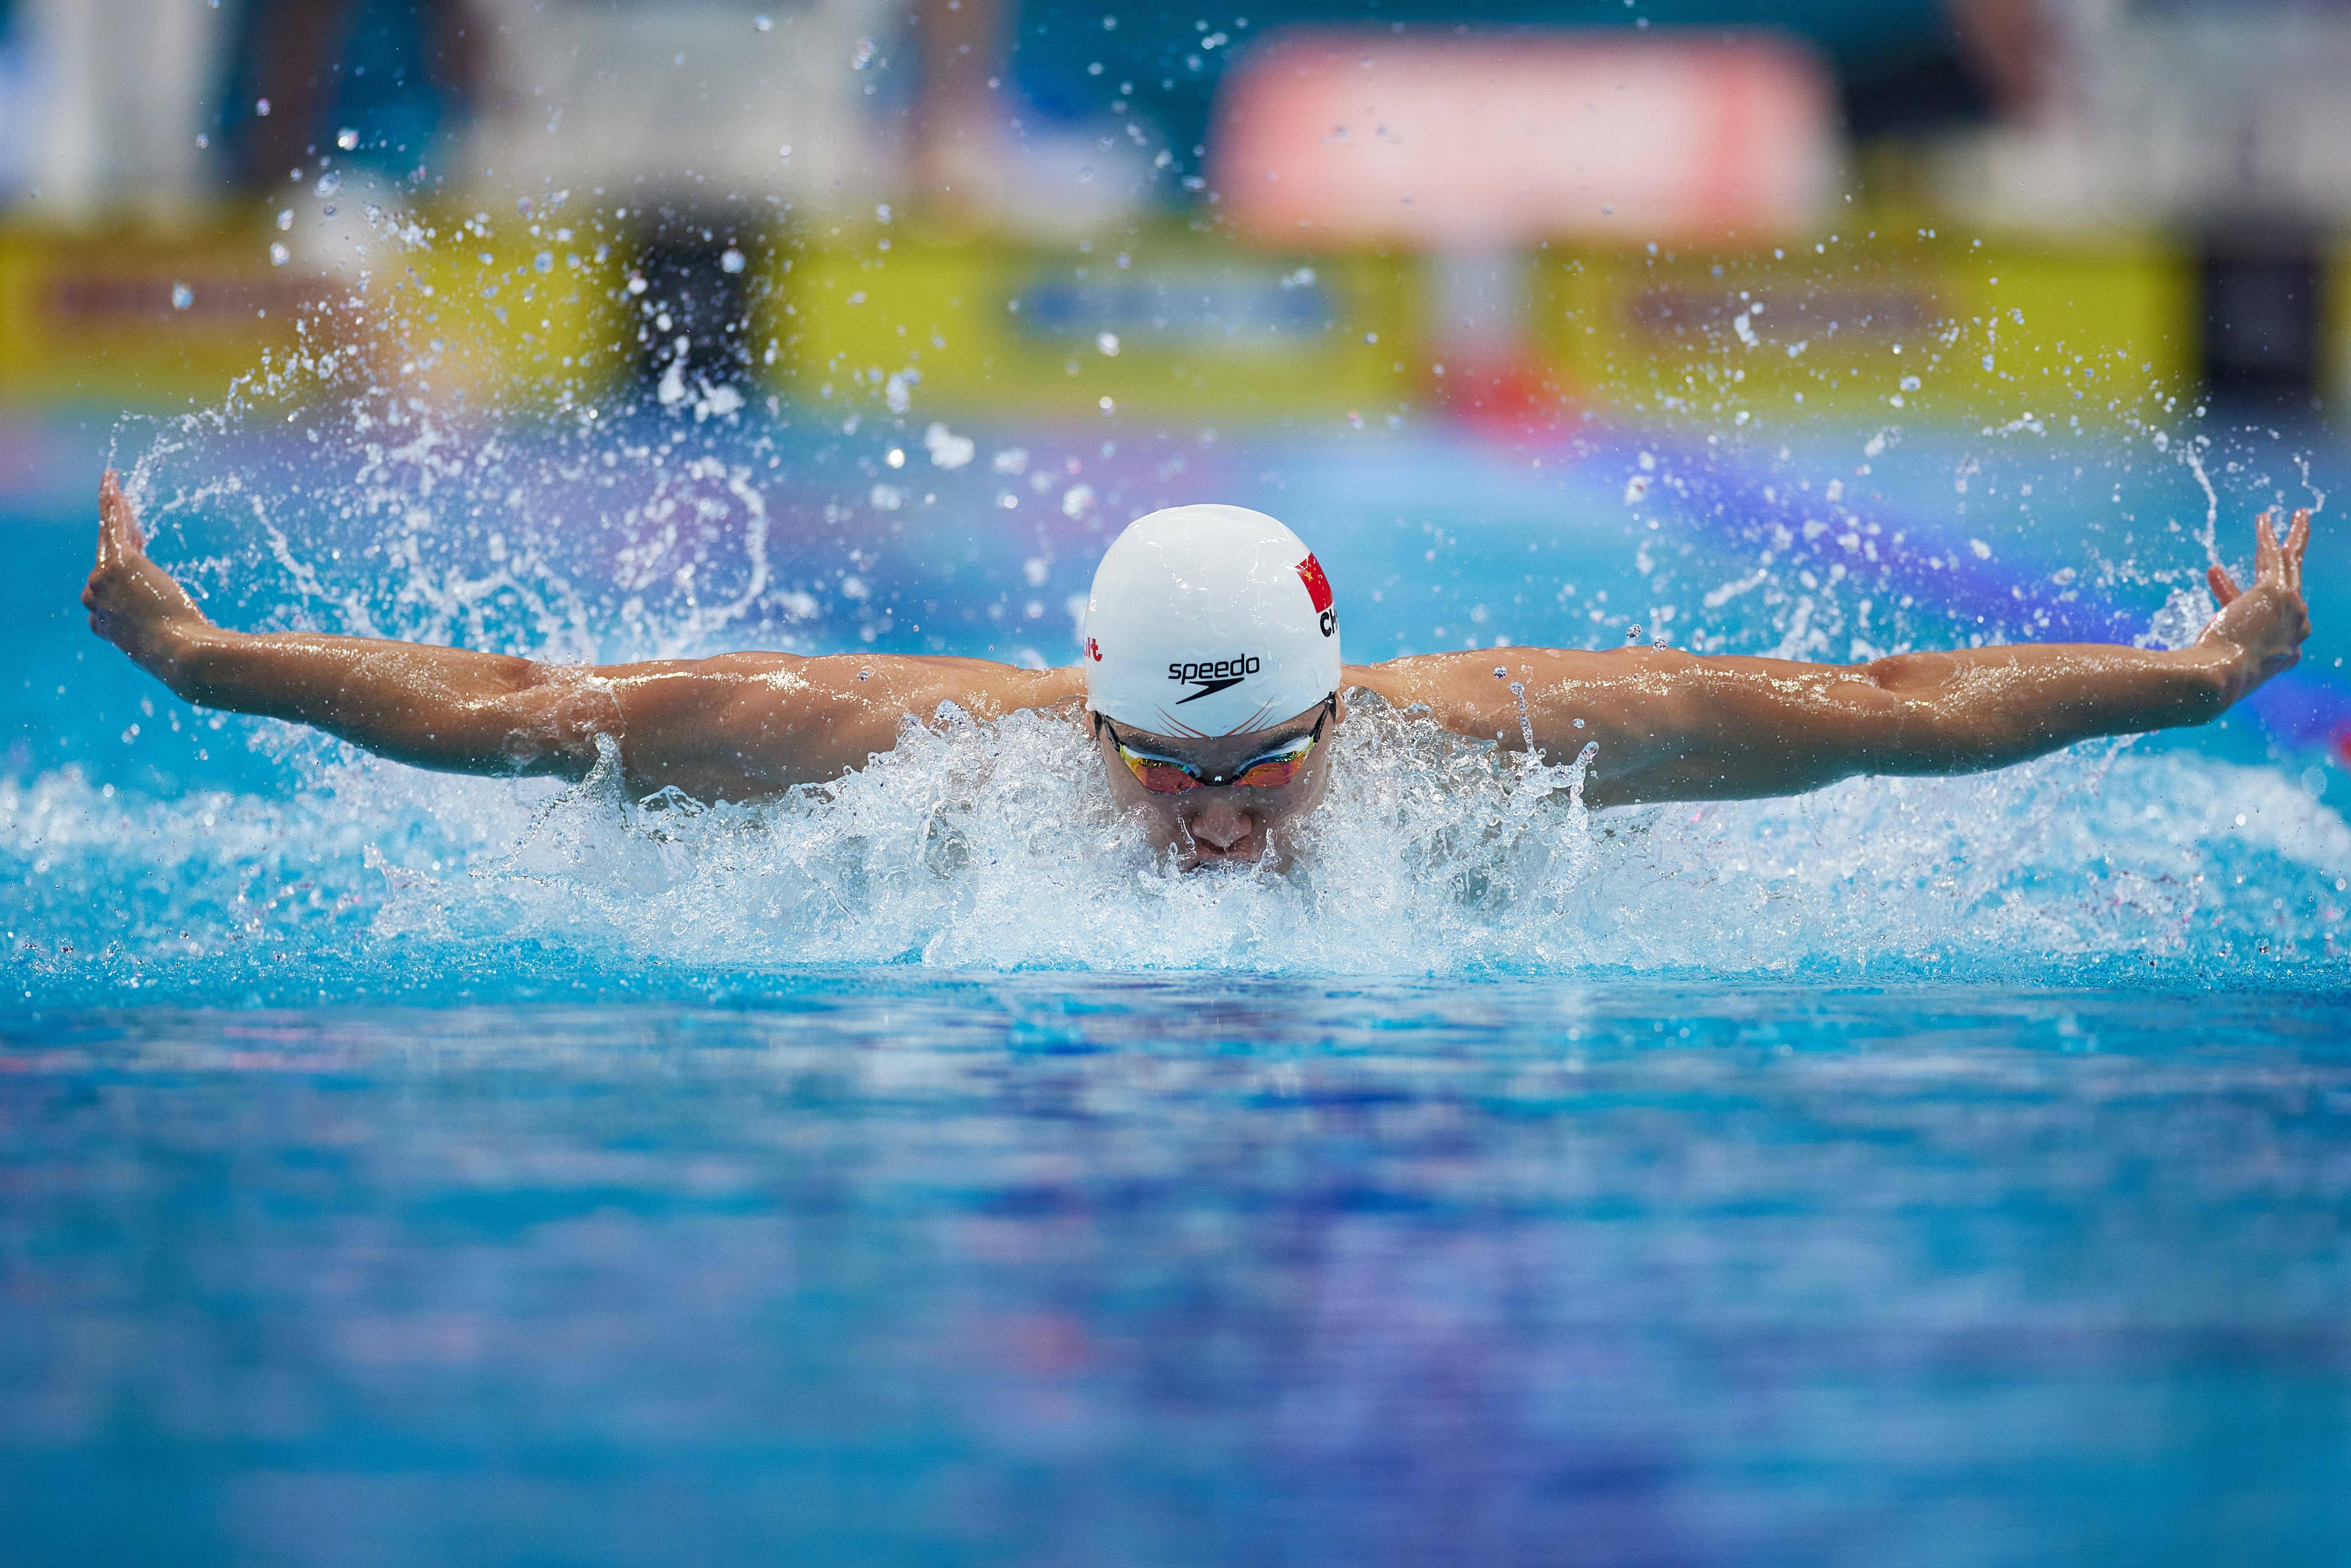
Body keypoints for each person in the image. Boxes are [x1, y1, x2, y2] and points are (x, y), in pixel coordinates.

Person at [83, 472, 2312, 872]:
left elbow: (1897, 715)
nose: (1221, 816)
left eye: (1262, 761)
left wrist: (2195, 680)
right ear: (1089, 712)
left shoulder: (1510, 743)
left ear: (1344, 702)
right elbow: (504, 708)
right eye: (1164, 768)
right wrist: (199, 658)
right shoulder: (904, 757)